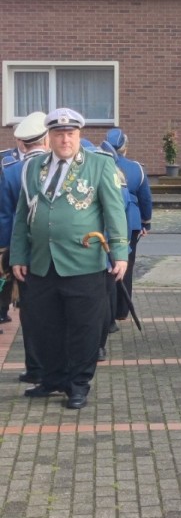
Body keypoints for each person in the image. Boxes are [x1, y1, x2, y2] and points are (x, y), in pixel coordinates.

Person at [10, 107, 128, 410]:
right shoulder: (33, 168)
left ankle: (78, 384)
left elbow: (115, 211)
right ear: (48, 137)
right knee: (44, 327)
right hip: (41, 262)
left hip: (83, 262)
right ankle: (52, 378)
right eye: (59, 134)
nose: (65, 140)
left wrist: (120, 253)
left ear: (79, 135)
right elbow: (22, 215)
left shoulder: (99, 165)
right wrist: (18, 255)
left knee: (83, 328)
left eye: (71, 134)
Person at [0, 112, 49, 377]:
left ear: (22, 142)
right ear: (47, 139)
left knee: (29, 312)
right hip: (53, 252)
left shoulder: (10, 172)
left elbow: (6, 216)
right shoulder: (56, 168)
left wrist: (8, 252)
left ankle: (35, 367)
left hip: (21, 253)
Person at [100, 127, 153, 306]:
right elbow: (145, 198)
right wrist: (146, 222)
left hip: (105, 222)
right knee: (126, 265)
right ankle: (123, 308)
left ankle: (109, 307)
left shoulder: (99, 164)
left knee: (106, 265)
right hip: (131, 222)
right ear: (125, 147)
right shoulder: (136, 168)